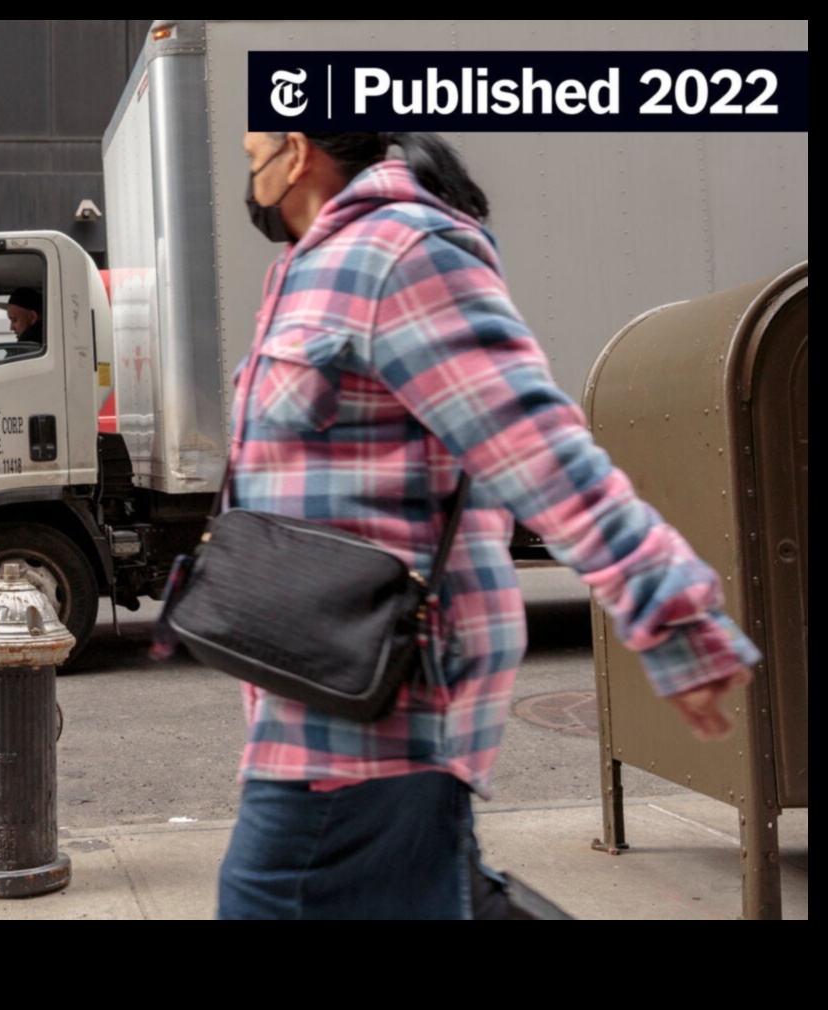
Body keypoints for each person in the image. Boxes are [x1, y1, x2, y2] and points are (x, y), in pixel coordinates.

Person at [217, 131, 759, 918]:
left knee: (272, 898)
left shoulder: (401, 253)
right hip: (320, 667)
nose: (250, 177)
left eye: (252, 154)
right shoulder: (308, 269)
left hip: (377, 683)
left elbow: (538, 448)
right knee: (431, 891)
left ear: (296, 152)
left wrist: (675, 617)